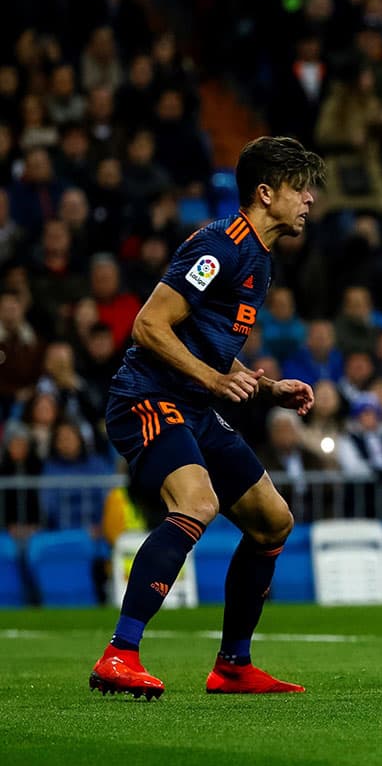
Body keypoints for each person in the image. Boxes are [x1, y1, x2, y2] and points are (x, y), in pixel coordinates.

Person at [90, 137, 325, 699]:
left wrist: (266, 387)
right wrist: (215, 381)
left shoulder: (260, 262)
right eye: (299, 188)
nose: (309, 200)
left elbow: (211, 342)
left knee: (273, 522)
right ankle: (119, 654)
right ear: (265, 194)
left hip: (192, 404)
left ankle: (233, 666)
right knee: (197, 503)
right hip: (148, 396)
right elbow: (149, 325)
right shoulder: (219, 246)